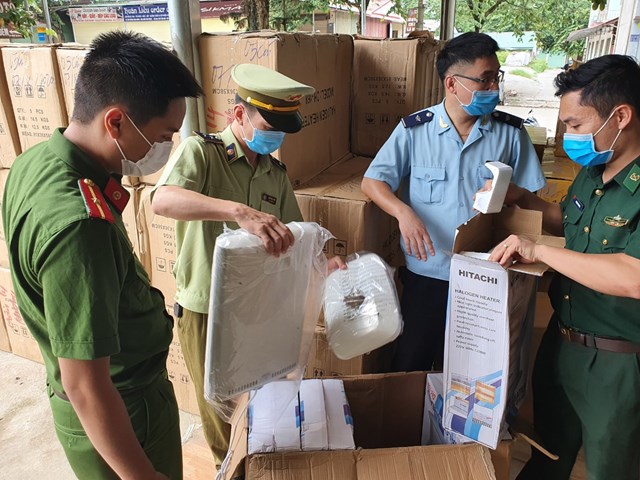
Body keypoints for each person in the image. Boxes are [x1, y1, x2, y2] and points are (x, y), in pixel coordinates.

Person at [2, 31, 202, 480]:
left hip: (110, 399)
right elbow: (86, 385)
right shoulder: (79, 227)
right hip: (122, 410)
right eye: (164, 135)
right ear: (116, 123)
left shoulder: (36, 163)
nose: (165, 148)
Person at [151, 63, 344, 467]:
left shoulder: (275, 173)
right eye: (268, 124)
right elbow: (163, 200)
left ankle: (256, 467)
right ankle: (231, 470)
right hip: (207, 310)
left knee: (262, 402)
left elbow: (296, 237)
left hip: (259, 310)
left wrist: (325, 264)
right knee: (220, 410)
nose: (275, 138)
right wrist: (238, 211)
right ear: (239, 115)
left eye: (281, 130)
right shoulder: (202, 153)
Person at [489, 55, 640, 480]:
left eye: (575, 125)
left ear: (621, 116)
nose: (567, 135)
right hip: (563, 344)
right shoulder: (594, 170)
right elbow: (570, 221)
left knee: (612, 468)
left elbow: (633, 276)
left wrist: (537, 250)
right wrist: (522, 199)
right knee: (546, 457)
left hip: (618, 362)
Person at [361, 32, 546, 373]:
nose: (494, 88)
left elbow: (532, 201)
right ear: (452, 83)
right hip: (427, 271)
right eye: (484, 79)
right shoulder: (416, 130)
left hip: (486, 274)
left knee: (472, 372)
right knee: (412, 362)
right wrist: (404, 213)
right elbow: (372, 181)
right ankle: (409, 426)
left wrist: (515, 198)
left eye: (496, 77)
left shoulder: (510, 133)